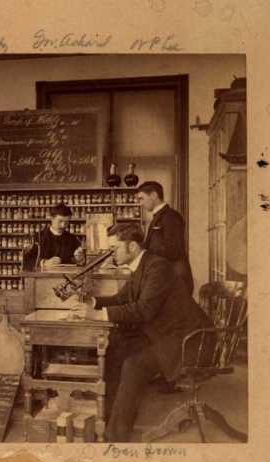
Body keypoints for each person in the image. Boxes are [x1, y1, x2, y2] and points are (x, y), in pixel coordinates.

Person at [71, 223, 211, 442]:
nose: (111, 253)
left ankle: (115, 438)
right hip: (162, 332)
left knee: (133, 365)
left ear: (133, 247)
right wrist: (93, 302)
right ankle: (104, 421)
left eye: (115, 248)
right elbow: (123, 298)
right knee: (115, 347)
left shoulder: (158, 267)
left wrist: (98, 315)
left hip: (186, 339)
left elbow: (144, 310)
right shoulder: (141, 265)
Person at [137, 181, 194, 295]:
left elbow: (173, 250)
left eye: (141, 198)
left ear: (153, 195)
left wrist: (144, 253)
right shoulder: (159, 216)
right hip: (167, 276)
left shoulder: (171, 216)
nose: (140, 203)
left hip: (177, 279)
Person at [27, 203, 86, 270]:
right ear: (52, 218)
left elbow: (79, 263)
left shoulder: (72, 239)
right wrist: (44, 263)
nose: (63, 225)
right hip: (42, 278)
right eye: (60, 221)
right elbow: (27, 260)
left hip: (65, 279)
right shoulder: (38, 237)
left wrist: (80, 259)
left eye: (66, 222)